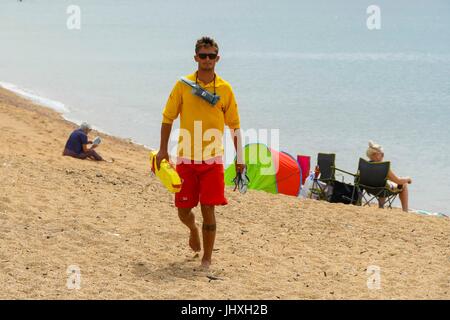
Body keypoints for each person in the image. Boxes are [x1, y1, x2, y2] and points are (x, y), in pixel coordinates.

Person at [156, 36, 244, 268]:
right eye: (203, 56)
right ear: (195, 57)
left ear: (218, 58)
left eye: (211, 56)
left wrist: (240, 158)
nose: (207, 60)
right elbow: (167, 118)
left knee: (209, 209)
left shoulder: (225, 89)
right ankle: (192, 229)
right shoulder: (183, 85)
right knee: (183, 210)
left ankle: (207, 258)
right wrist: (163, 149)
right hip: (185, 158)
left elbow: (234, 126)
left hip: (213, 160)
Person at [366, 141, 412, 212]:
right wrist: (408, 179)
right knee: (404, 184)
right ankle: (405, 211)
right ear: (377, 155)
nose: (383, 155)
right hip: (381, 190)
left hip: (368, 188)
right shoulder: (384, 167)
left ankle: (381, 207)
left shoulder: (365, 164)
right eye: (382, 154)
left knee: (383, 182)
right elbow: (398, 181)